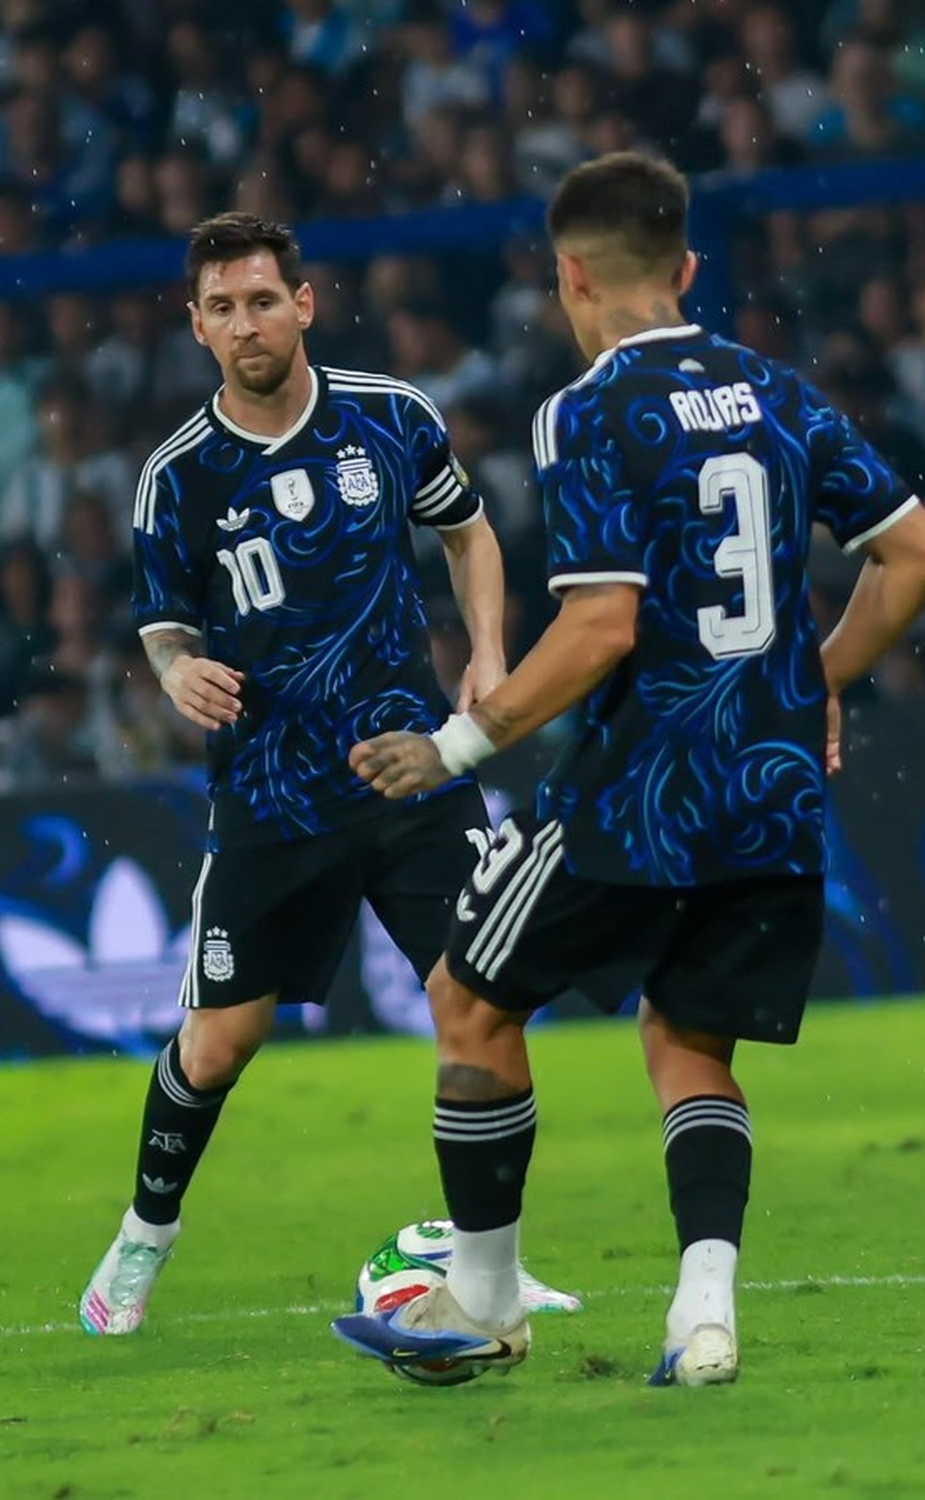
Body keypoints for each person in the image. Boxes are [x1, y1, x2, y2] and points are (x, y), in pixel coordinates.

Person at [331, 152, 925, 1386]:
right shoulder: (779, 391)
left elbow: (603, 626)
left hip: (638, 794)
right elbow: (918, 555)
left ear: (568, 275)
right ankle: (703, 1318)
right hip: (771, 792)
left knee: (468, 999)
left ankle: (484, 1300)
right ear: (686, 269)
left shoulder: (588, 409)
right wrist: (812, 681)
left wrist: (460, 741)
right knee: (688, 1040)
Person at [78, 212, 574, 1335]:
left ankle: (490, 1272)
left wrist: (488, 658)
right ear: (196, 326)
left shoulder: (392, 420)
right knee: (220, 1044)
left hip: (410, 772)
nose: (245, 323)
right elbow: (164, 628)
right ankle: (147, 1231)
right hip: (270, 795)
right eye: (222, 307)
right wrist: (175, 674)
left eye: (263, 300)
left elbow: (471, 533)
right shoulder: (179, 477)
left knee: (477, 1004)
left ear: (304, 305)